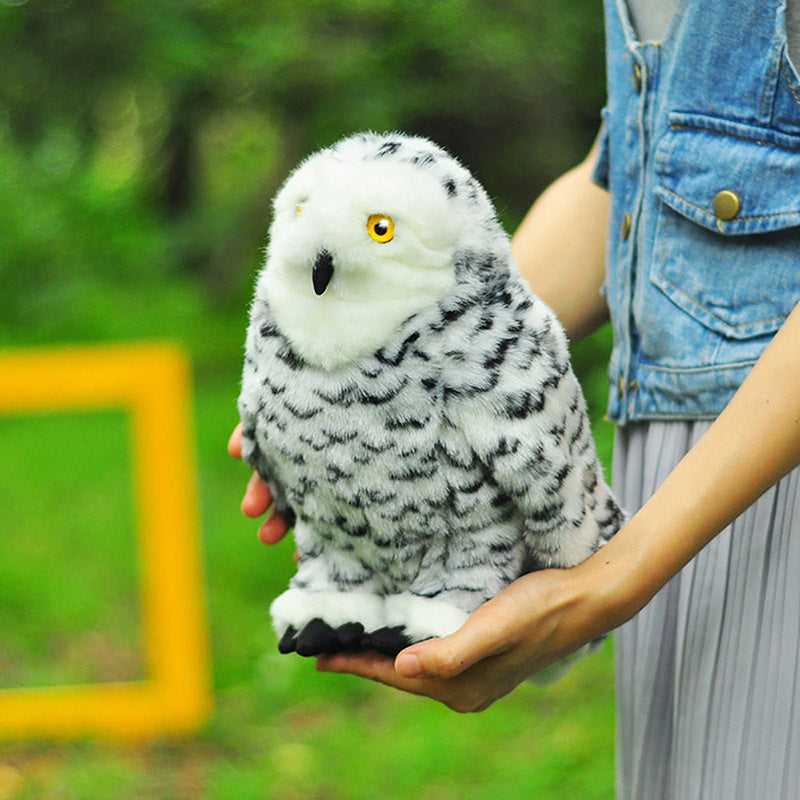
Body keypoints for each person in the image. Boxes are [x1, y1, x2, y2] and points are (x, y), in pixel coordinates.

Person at [230, 1, 800, 796]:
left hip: (767, 456)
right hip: (682, 470)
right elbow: (633, 166)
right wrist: (385, 388)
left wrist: (611, 573)